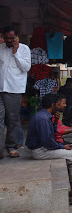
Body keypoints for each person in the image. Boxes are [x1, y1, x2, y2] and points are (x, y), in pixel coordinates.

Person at [25, 93, 72, 205]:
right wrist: (62, 146)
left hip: (43, 147)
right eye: (60, 103)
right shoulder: (43, 119)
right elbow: (48, 143)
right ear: (53, 104)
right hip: (40, 151)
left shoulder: (45, 116)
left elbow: (51, 135)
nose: (63, 105)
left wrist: (55, 121)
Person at [0, 26, 31, 158]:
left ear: (16, 37)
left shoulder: (24, 49)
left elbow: (26, 68)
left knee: (12, 119)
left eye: (11, 38)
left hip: (14, 89)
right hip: (0, 88)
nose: (9, 40)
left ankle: (11, 147)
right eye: (6, 38)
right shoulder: (0, 49)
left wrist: (15, 52)